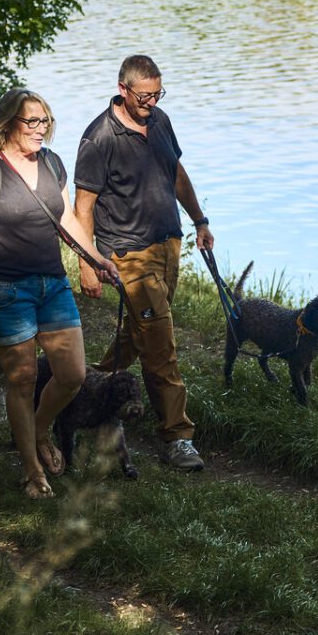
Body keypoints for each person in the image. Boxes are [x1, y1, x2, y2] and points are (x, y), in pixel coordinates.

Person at [0, 87, 121, 499]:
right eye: (32, 121)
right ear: (8, 123)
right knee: (23, 378)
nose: (40, 129)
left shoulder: (51, 162)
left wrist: (96, 257)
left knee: (72, 375)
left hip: (52, 284)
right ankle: (31, 468)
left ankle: (39, 428)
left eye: (45, 120)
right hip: (5, 290)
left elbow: (64, 217)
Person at [73, 54, 213, 472]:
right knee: (161, 345)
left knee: (138, 335)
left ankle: (81, 391)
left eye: (158, 94)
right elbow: (83, 206)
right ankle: (177, 437)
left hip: (168, 245)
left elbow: (176, 173)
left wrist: (199, 220)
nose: (152, 102)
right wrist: (86, 262)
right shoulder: (100, 138)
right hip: (126, 256)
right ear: (123, 90)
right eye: (145, 96)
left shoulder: (160, 121)